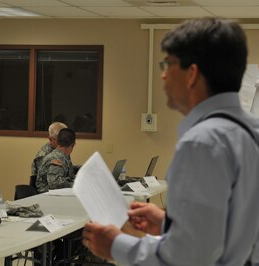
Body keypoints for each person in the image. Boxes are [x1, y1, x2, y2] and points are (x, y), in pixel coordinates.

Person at [82, 18, 259, 265]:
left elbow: (189, 258)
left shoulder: (202, 143)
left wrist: (116, 245)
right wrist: (169, 223)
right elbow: (231, 230)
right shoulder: (250, 131)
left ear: (192, 74)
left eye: (169, 64)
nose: (163, 75)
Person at [36, 128, 76, 193]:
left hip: (55, 193)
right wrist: (76, 185)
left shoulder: (63, 156)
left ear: (58, 142)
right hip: (46, 194)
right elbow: (55, 184)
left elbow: (67, 172)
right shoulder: (56, 158)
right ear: (73, 145)